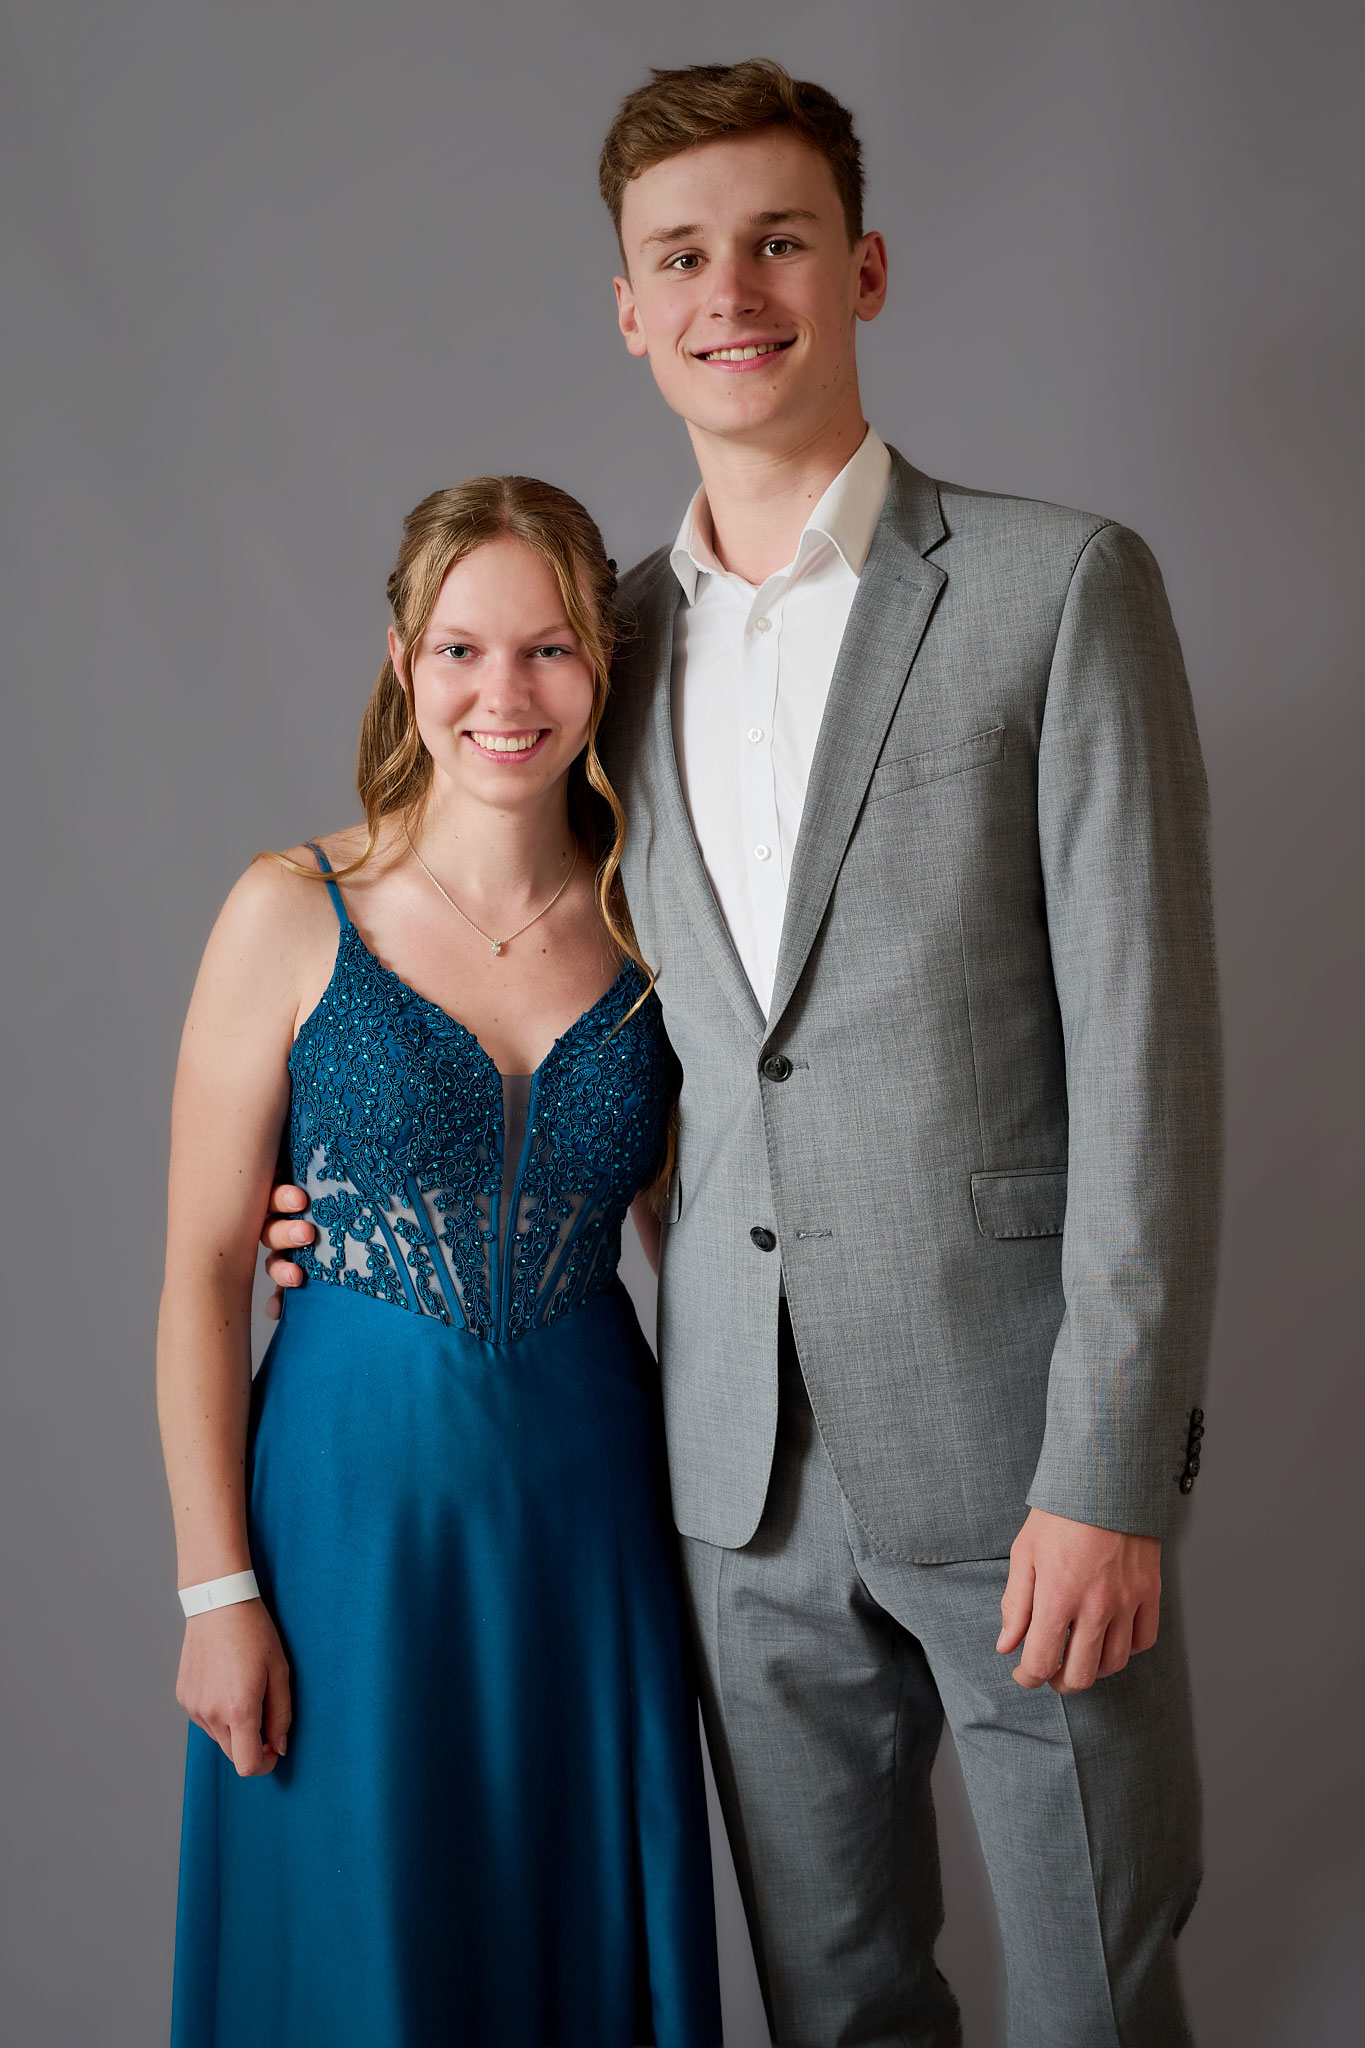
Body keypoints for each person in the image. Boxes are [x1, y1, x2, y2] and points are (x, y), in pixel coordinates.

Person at [263, 60, 1222, 2048]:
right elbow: (520, 973)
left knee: (1093, 1999)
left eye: (777, 241)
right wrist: (355, 1192)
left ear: (859, 268)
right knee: (834, 2010)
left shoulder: (1054, 589)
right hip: (728, 1479)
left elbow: (1151, 1061)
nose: (732, 290)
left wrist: (1111, 1466)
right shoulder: (593, 653)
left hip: (1019, 1460)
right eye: (681, 256)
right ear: (628, 308)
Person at [158, 475, 722, 2048]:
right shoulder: (292, 910)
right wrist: (216, 1589)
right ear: (403, 659)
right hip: (348, 1523)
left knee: (563, 1939)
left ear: (600, 667)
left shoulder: (659, 929)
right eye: (463, 649)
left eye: (548, 649)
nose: (502, 693)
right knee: (365, 1950)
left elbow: (711, 1244)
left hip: (588, 1524)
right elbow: (204, 1264)